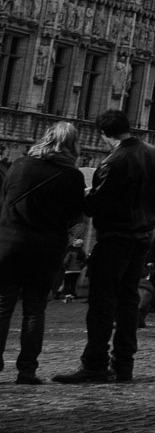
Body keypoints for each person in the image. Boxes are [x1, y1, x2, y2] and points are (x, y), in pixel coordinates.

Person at [52, 109, 155, 387]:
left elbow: (97, 204)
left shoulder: (114, 161)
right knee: (128, 302)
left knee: (102, 304)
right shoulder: (152, 153)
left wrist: (83, 195)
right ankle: (124, 364)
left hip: (115, 237)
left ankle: (95, 364)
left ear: (103, 134)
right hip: (142, 238)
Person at [0, 121, 89, 384]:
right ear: (73, 145)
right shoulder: (72, 176)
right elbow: (75, 216)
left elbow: (7, 197)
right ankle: (27, 370)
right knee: (34, 310)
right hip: (45, 249)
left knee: (3, 307)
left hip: (10, 244)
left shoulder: (18, 165)